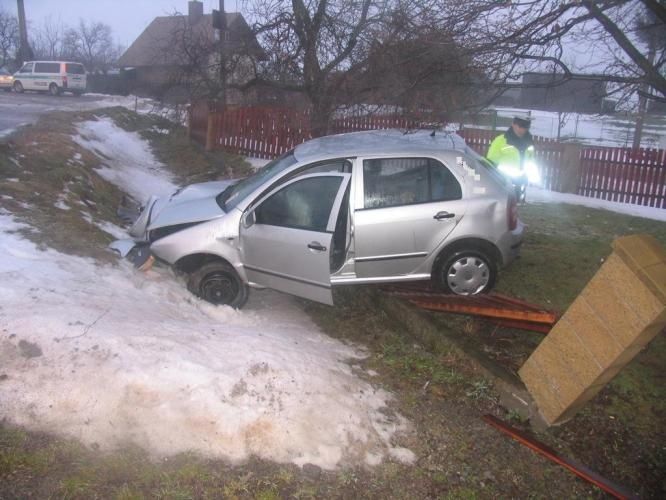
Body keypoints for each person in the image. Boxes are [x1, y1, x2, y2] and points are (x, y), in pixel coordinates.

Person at [486, 115, 536, 203]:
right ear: (513, 124)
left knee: (518, 208)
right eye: (520, 126)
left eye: (526, 127)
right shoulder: (501, 141)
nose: (522, 130)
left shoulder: (529, 141)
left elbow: (530, 159)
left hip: (522, 180)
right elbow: (490, 162)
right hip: (504, 181)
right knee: (505, 207)